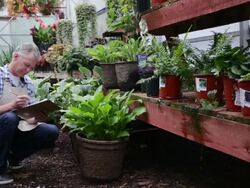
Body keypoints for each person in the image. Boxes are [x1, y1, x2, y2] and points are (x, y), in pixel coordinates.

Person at [0, 43, 59, 185]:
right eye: (26, 65)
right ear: (15, 56)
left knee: (51, 130)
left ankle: (13, 158)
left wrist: (35, 118)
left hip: (17, 127)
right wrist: (11, 106)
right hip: (3, 126)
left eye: (31, 68)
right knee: (10, 117)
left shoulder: (28, 83)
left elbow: (28, 115)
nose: (28, 70)